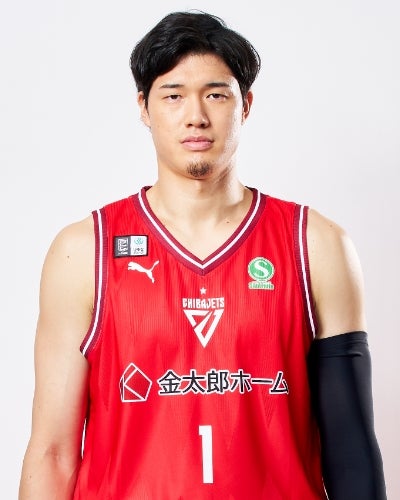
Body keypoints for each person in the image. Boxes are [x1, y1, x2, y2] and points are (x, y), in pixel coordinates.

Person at [19, 11, 386, 499]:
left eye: (216, 94)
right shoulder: (85, 251)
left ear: (245, 104)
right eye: (173, 96)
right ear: (144, 107)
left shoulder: (315, 244)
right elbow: (53, 453)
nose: (196, 115)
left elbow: (351, 451)